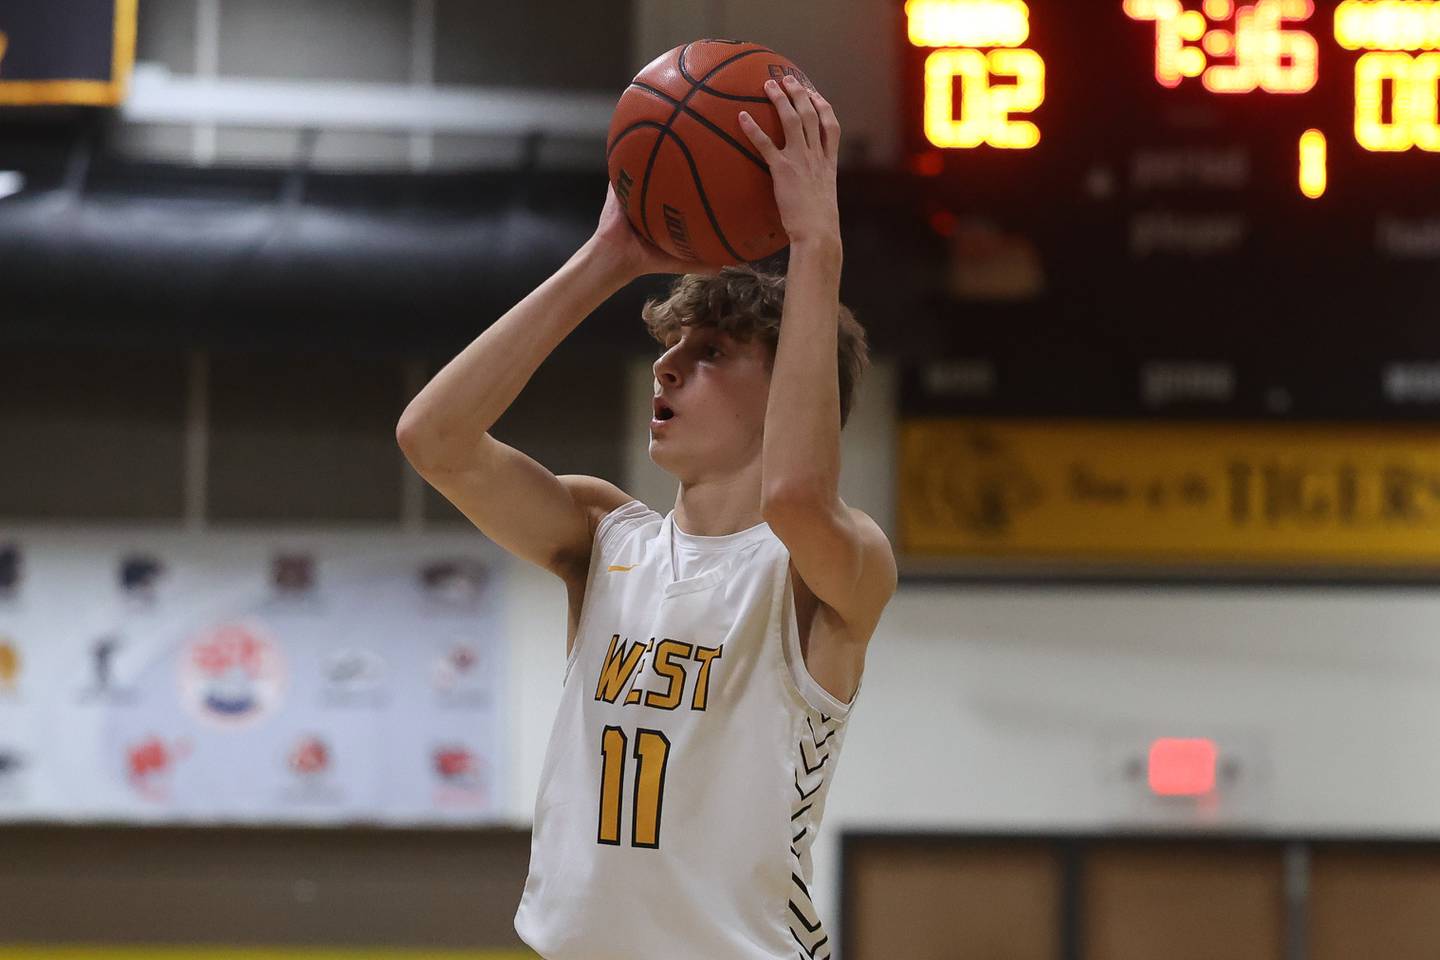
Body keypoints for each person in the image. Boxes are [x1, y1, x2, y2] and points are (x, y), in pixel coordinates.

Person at [397, 74, 896, 960]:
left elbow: (791, 495)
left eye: (709, 355)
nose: (666, 370)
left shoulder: (834, 562)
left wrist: (816, 243)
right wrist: (607, 259)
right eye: (667, 351)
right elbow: (434, 438)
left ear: (787, 389)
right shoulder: (603, 537)